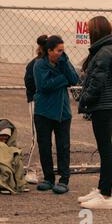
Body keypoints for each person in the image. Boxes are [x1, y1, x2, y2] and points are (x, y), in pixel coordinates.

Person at [78, 16, 112, 210]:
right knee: (104, 149)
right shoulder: (107, 49)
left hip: (102, 105)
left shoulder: (104, 52)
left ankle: (106, 196)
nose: (87, 33)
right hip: (104, 105)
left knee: (105, 150)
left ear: (96, 31)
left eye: (89, 30)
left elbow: (97, 81)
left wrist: (85, 97)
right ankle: (102, 189)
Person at [33, 35, 79, 194]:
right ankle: (48, 178)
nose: (61, 53)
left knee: (63, 146)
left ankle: (64, 179)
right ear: (49, 51)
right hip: (43, 111)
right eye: (59, 50)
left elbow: (74, 79)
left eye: (63, 50)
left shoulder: (64, 62)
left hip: (63, 112)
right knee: (44, 145)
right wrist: (64, 79)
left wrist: (64, 64)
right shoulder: (39, 65)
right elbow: (44, 86)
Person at [23, 35, 47, 184]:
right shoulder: (34, 64)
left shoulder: (54, 63)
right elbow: (29, 85)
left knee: (46, 137)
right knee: (38, 136)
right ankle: (31, 169)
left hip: (49, 103)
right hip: (36, 102)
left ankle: (41, 168)